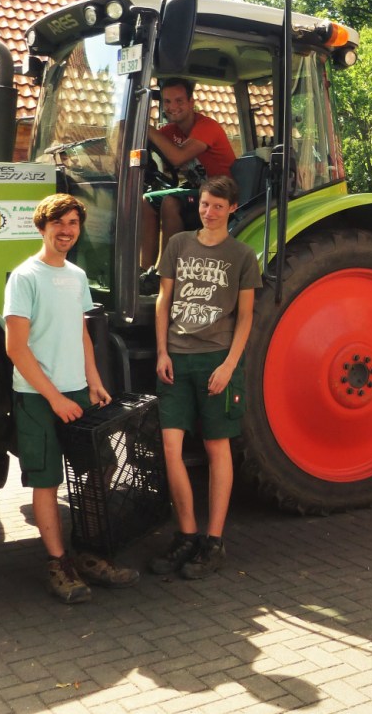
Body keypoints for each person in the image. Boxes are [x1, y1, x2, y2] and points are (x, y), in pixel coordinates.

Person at [4, 192, 140, 603]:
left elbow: (81, 334)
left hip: (77, 390)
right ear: (42, 227)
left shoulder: (77, 277)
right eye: (58, 224)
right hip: (36, 396)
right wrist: (55, 398)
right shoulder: (24, 277)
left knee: (96, 470)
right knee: (46, 482)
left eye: (73, 225)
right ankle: (58, 563)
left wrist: (93, 380)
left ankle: (89, 554)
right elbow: (16, 347)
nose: (66, 231)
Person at [149, 175, 262, 579]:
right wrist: (162, 351)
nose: (208, 211)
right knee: (170, 447)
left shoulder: (243, 255)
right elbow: (165, 300)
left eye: (217, 206)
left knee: (218, 449)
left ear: (232, 208)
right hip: (177, 360)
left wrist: (229, 365)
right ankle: (186, 534)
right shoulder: (179, 244)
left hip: (217, 361)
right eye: (203, 204)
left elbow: (245, 317)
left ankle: (213, 542)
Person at [140, 78, 235, 285]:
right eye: (167, 102)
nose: (173, 107)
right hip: (196, 189)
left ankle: (164, 274)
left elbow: (177, 157)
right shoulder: (170, 131)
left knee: (171, 201)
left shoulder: (207, 127)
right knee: (147, 200)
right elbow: (146, 142)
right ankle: (143, 271)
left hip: (220, 192)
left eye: (179, 101)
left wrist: (147, 129)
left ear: (191, 102)